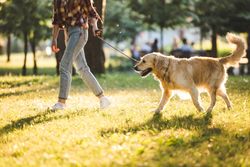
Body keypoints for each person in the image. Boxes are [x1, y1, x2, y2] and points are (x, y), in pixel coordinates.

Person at [50, 0, 111, 111]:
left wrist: (95, 27)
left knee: (64, 65)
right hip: (68, 33)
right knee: (82, 68)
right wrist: (54, 38)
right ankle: (103, 99)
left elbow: (91, 11)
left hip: (79, 32)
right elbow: (57, 20)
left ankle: (61, 103)